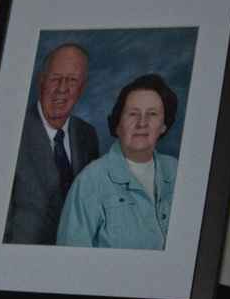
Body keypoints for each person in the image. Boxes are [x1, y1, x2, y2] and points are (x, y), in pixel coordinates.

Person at [56, 74, 179, 250]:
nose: (142, 123)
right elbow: (69, 261)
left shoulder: (177, 172)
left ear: (164, 125)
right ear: (118, 124)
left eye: (152, 114)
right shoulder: (90, 181)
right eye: (133, 114)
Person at [3, 44, 99, 245]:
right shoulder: (9, 131)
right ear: (42, 81)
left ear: (82, 88)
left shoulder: (87, 135)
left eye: (72, 80)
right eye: (55, 78)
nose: (62, 89)